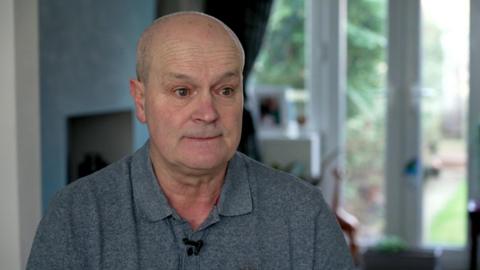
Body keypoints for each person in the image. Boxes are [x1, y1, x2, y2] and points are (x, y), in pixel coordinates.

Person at [27, 12, 354, 269]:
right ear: (141, 101)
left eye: (225, 90)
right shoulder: (76, 215)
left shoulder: (303, 213)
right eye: (182, 91)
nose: (208, 113)